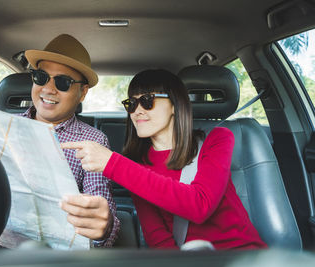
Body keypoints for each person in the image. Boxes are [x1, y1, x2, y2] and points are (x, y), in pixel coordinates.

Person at [61, 69, 267, 250]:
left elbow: (200, 206)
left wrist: (112, 163)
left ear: (175, 105)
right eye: (131, 103)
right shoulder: (136, 167)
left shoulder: (218, 139)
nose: (137, 110)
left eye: (147, 101)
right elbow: (159, 240)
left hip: (244, 256)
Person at [22, 34, 119, 247]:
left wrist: (103, 226)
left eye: (63, 82)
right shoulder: (4, 126)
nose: (48, 88)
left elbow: (102, 211)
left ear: (82, 92)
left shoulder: (92, 141)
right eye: (40, 77)